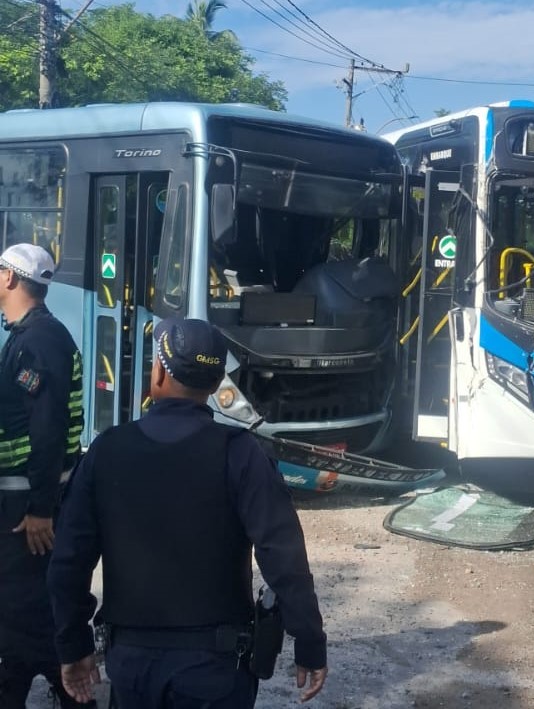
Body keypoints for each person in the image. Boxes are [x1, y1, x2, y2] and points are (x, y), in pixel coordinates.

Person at [47, 317, 328, 708]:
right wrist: (310, 640)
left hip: (132, 664)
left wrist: (73, 645)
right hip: (217, 667)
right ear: (215, 385)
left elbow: (68, 562)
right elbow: (283, 555)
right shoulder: (241, 453)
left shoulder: (107, 451)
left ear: (159, 370)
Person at [0, 243, 87, 708]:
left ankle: (70, 686)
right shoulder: (29, 334)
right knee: (19, 610)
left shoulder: (38, 340)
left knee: (26, 608)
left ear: (11, 279)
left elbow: (48, 427)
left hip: (24, 509)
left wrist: (40, 508)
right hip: (22, 502)